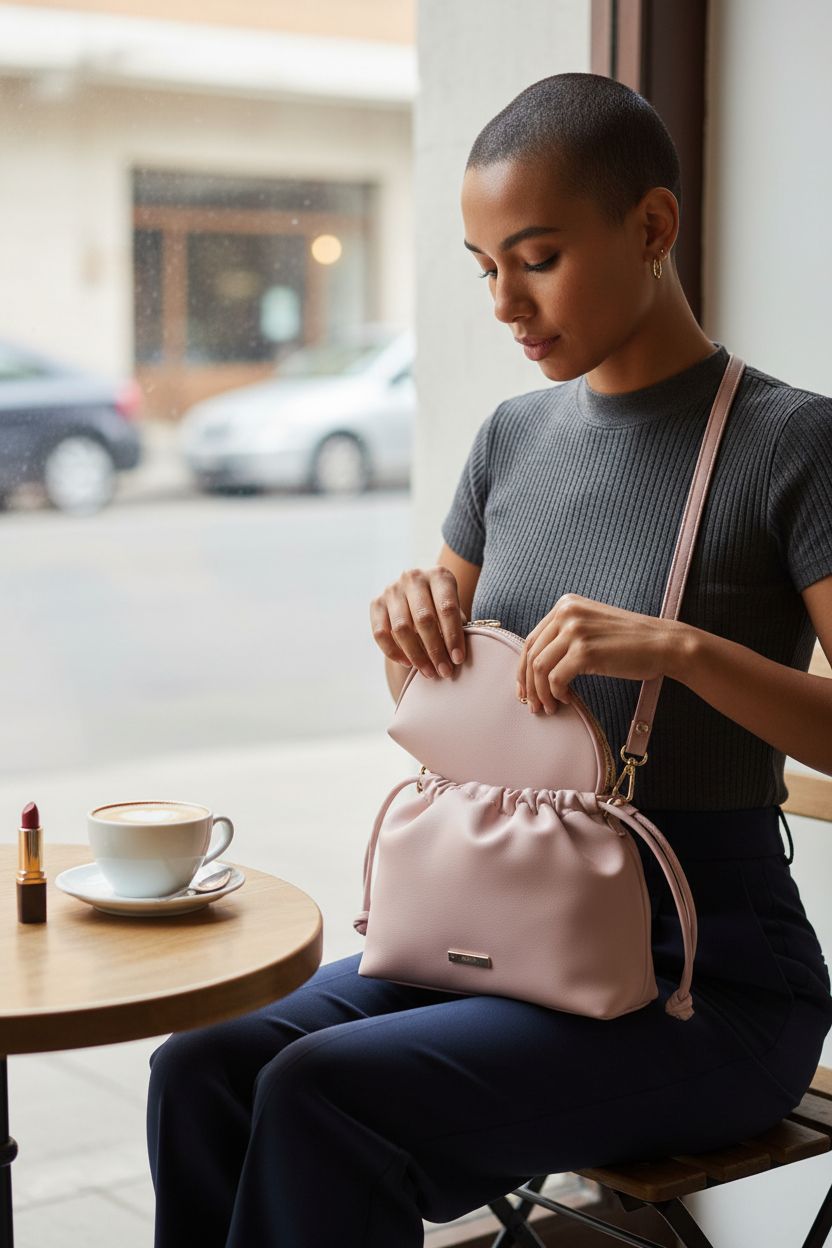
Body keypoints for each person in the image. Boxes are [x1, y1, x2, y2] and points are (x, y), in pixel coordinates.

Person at [146, 72, 832, 1247]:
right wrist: (404, 633)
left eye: (538, 256)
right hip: (491, 934)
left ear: (652, 228)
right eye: (484, 267)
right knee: (201, 1065)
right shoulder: (511, 437)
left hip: (702, 983)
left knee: (323, 1097)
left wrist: (682, 650)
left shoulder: (793, 444)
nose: (507, 303)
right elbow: (439, 719)